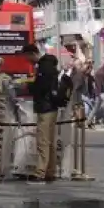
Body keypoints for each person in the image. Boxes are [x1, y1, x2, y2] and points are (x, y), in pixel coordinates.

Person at [30, 52, 60, 183]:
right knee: (50, 141)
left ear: (31, 54)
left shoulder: (43, 67)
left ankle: (40, 172)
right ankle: (50, 171)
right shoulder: (51, 66)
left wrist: (30, 86)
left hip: (45, 107)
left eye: (27, 57)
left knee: (43, 141)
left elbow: (41, 87)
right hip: (52, 108)